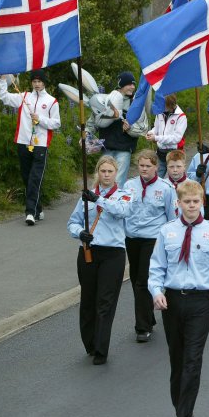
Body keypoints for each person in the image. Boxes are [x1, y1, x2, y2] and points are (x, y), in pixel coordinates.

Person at [148, 179, 209, 417]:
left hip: (199, 302)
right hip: (172, 301)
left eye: (196, 202)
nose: (192, 206)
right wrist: (156, 292)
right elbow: (156, 267)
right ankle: (179, 409)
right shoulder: (167, 232)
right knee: (177, 359)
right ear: (179, 203)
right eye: (187, 202)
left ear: (202, 202)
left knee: (193, 360)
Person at [67, 155, 132, 364]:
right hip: (89, 251)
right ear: (98, 173)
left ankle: (102, 349)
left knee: (105, 301)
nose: (106, 175)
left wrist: (98, 200)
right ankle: (90, 343)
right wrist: (80, 233)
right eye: (103, 171)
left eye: (110, 172)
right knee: (88, 300)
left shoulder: (123, 195)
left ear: (116, 174)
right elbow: (73, 223)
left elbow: (122, 211)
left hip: (113, 253)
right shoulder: (86, 197)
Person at [123, 150, 177, 343]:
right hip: (132, 238)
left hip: (153, 239)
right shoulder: (129, 185)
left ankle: (142, 327)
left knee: (143, 281)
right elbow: (124, 210)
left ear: (156, 167)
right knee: (136, 278)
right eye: (141, 165)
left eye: (148, 166)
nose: (144, 169)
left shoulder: (166, 188)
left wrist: (170, 242)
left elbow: (172, 217)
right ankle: (149, 316)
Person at [0, 70, 60, 225]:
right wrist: (3, 79)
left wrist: (41, 119)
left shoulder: (52, 101)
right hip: (23, 143)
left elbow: (56, 123)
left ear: (44, 83)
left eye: (39, 81)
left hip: (40, 145)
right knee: (27, 178)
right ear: (31, 83)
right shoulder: (24, 97)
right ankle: (38, 209)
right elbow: (4, 97)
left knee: (35, 179)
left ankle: (30, 212)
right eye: (34, 81)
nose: (37, 84)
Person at [95, 72, 141, 181]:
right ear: (122, 85)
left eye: (134, 85)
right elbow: (94, 119)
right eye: (130, 84)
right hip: (107, 147)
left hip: (124, 149)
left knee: (118, 181)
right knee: (103, 180)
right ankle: (102, 198)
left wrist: (130, 128)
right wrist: (87, 131)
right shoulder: (106, 99)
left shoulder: (135, 104)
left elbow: (141, 128)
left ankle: (115, 198)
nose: (133, 87)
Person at [146, 95, 187, 178]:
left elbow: (176, 138)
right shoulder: (160, 113)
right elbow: (156, 128)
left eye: (163, 105)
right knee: (156, 178)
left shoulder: (181, 117)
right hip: (161, 152)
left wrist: (156, 138)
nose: (160, 107)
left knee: (175, 179)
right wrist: (151, 133)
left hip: (175, 152)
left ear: (170, 105)